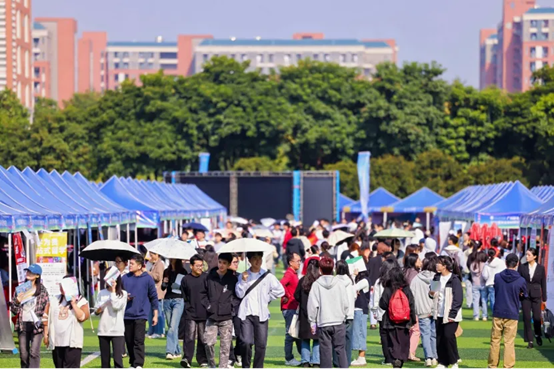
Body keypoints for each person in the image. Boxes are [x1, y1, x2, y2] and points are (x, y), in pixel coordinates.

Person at [236, 251, 285, 368]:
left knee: (261, 344)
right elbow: (239, 294)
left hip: (261, 314)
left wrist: (268, 298)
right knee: (246, 342)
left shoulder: (267, 276)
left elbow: (280, 290)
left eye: (260, 258)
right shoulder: (243, 275)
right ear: (249, 260)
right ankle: (246, 365)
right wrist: (243, 281)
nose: (258, 261)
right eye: (255, 258)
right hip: (246, 313)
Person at [307, 257, 349, 369]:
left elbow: (312, 305)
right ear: (333, 268)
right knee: (340, 350)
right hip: (338, 321)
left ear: (320, 269)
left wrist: (312, 321)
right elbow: (346, 303)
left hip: (324, 321)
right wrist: (344, 314)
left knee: (325, 352)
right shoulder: (340, 284)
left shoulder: (316, 285)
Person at [488, 254, 527, 369]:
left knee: (495, 340)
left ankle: (492, 365)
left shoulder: (498, 277)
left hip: (498, 311)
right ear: (517, 263)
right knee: (509, 342)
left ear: (506, 263)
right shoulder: (521, 280)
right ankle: (508, 366)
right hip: (512, 312)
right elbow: (525, 295)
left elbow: (497, 289)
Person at [202, 253, 239, 368]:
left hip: (227, 317)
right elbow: (203, 294)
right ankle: (212, 365)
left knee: (225, 347)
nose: (221, 265)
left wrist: (231, 307)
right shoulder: (209, 277)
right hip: (211, 316)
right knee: (208, 343)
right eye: (220, 262)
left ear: (228, 265)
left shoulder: (233, 279)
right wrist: (208, 306)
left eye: (224, 263)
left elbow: (237, 296)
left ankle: (222, 367)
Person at [122, 254, 159, 369]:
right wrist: (125, 297)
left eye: (132, 264)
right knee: (129, 340)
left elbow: (153, 297)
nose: (129, 265)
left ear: (139, 266)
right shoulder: (124, 278)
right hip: (126, 315)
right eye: (129, 263)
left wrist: (155, 314)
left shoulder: (147, 278)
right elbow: (118, 294)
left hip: (141, 315)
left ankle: (138, 364)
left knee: (138, 340)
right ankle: (132, 362)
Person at [45, 275, 90, 368]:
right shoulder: (55, 299)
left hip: (72, 343)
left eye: (63, 285)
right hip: (57, 341)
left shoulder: (81, 301)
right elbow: (47, 316)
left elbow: (82, 317)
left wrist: (73, 303)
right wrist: (46, 334)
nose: (61, 288)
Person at [10, 264, 49, 368]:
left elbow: (47, 307)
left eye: (31, 272)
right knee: (23, 354)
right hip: (23, 324)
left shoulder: (42, 290)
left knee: (34, 353)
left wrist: (45, 329)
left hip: (37, 325)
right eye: (27, 271)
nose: (28, 273)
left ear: (37, 275)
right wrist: (17, 301)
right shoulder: (20, 289)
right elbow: (13, 311)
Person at [378, 267, 417, 368]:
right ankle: (399, 360)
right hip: (404, 322)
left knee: (392, 343)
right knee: (403, 343)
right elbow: (411, 304)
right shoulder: (406, 288)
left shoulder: (388, 288)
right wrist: (412, 319)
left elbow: (382, 304)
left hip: (390, 321)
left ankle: (395, 359)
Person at [432, 256, 463, 369]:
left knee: (448, 336)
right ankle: (443, 362)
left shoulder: (454, 279)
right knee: (439, 338)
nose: (436, 265)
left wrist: (452, 314)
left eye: (438, 263)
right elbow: (432, 294)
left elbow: (458, 299)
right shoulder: (436, 278)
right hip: (438, 313)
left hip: (450, 314)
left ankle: (454, 361)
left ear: (445, 266)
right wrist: (431, 293)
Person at [180, 254, 208, 368]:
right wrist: (188, 306)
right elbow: (184, 296)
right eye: (197, 266)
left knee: (203, 338)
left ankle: (202, 359)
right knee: (189, 337)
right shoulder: (185, 279)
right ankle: (187, 358)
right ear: (191, 266)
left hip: (204, 312)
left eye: (201, 265)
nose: (200, 268)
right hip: (190, 312)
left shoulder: (207, 278)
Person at [411, 254, 438, 367]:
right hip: (434, 309)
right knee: (433, 334)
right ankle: (435, 357)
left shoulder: (416, 278)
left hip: (422, 310)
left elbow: (412, 294)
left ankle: (428, 357)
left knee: (425, 334)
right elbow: (437, 294)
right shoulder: (436, 278)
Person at [95, 274, 127, 368]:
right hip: (103, 329)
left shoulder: (123, 294)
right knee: (105, 361)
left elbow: (116, 306)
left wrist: (113, 291)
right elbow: (96, 311)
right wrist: (102, 306)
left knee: (118, 360)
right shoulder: (101, 293)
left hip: (117, 329)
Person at [371, 258, 399, 366]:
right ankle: (396, 356)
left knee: (384, 335)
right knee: (396, 335)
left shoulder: (379, 282)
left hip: (383, 312)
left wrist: (375, 313)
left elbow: (376, 300)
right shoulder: (399, 281)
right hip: (397, 312)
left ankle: (388, 358)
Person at [518, 247, 547, 348]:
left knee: (536, 318)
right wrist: (519, 292)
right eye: (526, 254)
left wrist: (544, 299)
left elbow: (543, 283)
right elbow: (518, 280)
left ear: (534, 256)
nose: (527, 256)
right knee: (526, 317)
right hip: (525, 295)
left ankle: (538, 334)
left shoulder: (541, 268)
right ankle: (530, 340)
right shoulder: (522, 267)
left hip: (536, 296)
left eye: (529, 255)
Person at [294, 258, 320, 368]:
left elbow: (296, 296)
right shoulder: (319, 281)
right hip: (318, 313)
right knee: (317, 339)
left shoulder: (302, 280)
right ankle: (316, 361)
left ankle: (305, 361)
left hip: (304, 313)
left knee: (305, 338)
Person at [162, 259, 187, 360]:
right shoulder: (166, 271)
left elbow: (185, 288)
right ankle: (177, 351)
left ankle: (170, 351)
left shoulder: (183, 272)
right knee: (172, 327)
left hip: (178, 299)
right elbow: (163, 288)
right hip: (167, 299)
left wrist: (179, 286)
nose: (172, 260)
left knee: (172, 327)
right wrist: (164, 282)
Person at [280, 253, 302, 366]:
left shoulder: (293, 273)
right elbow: (281, 284)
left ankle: (303, 356)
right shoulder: (289, 273)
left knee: (296, 332)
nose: (299, 262)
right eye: (297, 260)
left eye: (299, 260)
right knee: (290, 333)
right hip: (289, 307)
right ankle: (289, 358)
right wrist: (287, 295)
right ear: (290, 262)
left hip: (292, 307)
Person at [335, 260, 355, 366]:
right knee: (348, 340)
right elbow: (354, 296)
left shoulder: (335, 281)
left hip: (338, 314)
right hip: (350, 313)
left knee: (337, 339)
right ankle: (346, 361)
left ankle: (336, 361)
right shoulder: (350, 281)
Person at [403, 253, 421, 362]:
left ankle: (407, 351)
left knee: (409, 329)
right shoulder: (415, 274)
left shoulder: (404, 272)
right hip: (413, 304)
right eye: (418, 259)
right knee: (416, 329)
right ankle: (411, 352)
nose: (420, 261)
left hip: (404, 304)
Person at [351, 270, 370, 366]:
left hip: (360, 309)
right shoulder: (363, 281)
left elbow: (352, 288)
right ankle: (360, 357)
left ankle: (362, 357)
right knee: (358, 333)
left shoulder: (364, 281)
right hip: (359, 309)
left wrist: (353, 275)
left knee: (360, 333)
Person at [482, 248, 506, 316]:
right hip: (499, 283)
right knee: (499, 300)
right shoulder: (501, 262)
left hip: (490, 283)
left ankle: (495, 314)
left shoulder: (487, 263)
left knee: (492, 300)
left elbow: (484, 275)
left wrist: (488, 278)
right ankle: (498, 314)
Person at [147, 251, 165, 339]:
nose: (151, 256)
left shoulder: (160, 264)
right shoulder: (152, 264)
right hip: (152, 291)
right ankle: (151, 330)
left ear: (157, 254)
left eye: (152, 254)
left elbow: (158, 277)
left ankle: (159, 331)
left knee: (158, 313)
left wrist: (148, 272)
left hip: (158, 291)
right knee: (150, 313)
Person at [468, 248, 488, 321]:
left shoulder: (472, 264)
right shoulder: (484, 265)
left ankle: (476, 316)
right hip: (483, 284)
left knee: (475, 301)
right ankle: (484, 315)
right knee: (484, 300)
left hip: (474, 284)